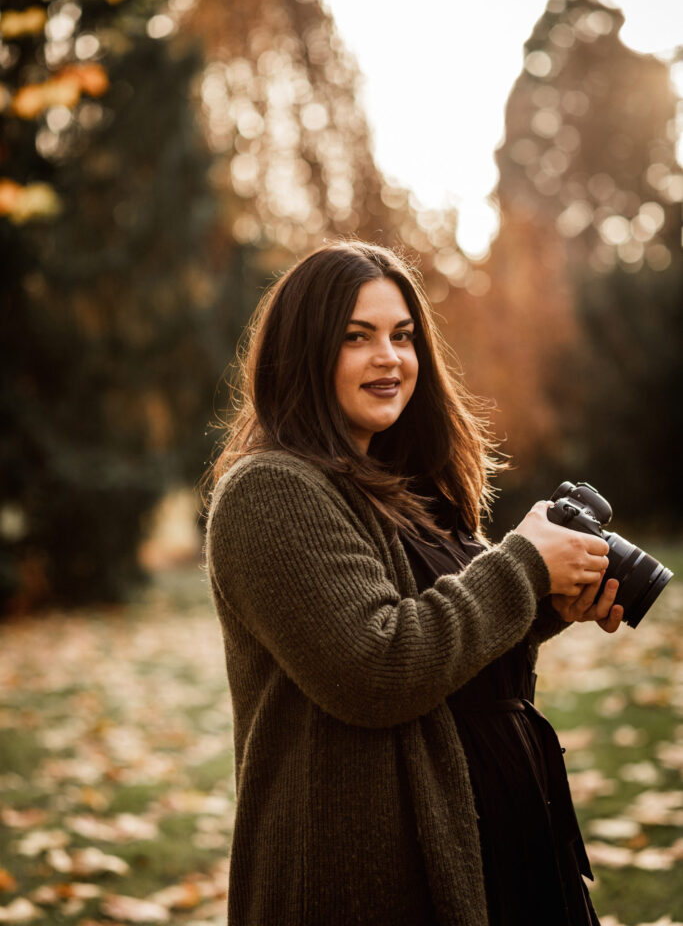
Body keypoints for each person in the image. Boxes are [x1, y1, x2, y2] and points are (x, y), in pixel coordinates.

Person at [204, 241, 623, 926]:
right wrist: (521, 566)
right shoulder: (271, 489)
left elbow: (448, 643)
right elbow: (377, 668)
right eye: (355, 338)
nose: (389, 358)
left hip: (504, 847)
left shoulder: (411, 488)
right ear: (303, 353)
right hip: (368, 876)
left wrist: (546, 601)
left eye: (402, 336)